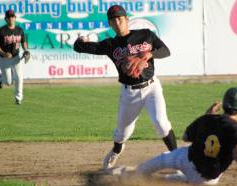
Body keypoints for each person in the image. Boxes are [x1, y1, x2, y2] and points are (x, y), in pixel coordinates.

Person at [73, 5, 177, 170]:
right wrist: (81, 41)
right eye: (113, 20)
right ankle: (117, 149)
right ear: (110, 24)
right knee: (122, 133)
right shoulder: (110, 44)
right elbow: (79, 48)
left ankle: (177, 157)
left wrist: (150, 54)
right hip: (129, 93)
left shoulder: (146, 35)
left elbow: (165, 51)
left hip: (152, 88)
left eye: (120, 18)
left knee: (161, 123)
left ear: (127, 19)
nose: (117, 22)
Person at [136, 87, 237, 186]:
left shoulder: (207, 120)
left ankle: (133, 176)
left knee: (160, 161)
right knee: (180, 180)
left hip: (185, 160)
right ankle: (163, 181)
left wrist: (207, 116)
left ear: (225, 105)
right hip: (207, 179)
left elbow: (186, 137)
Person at [0, 9, 29, 105]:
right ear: (5, 19)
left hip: (16, 57)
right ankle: (1, 78)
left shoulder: (19, 30)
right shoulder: (1, 31)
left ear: (15, 18)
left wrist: (26, 50)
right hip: (3, 58)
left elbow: (23, 42)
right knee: (8, 82)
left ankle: (18, 98)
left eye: (13, 16)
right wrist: (4, 54)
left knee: (19, 77)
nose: (11, 18)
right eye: (9, 17)